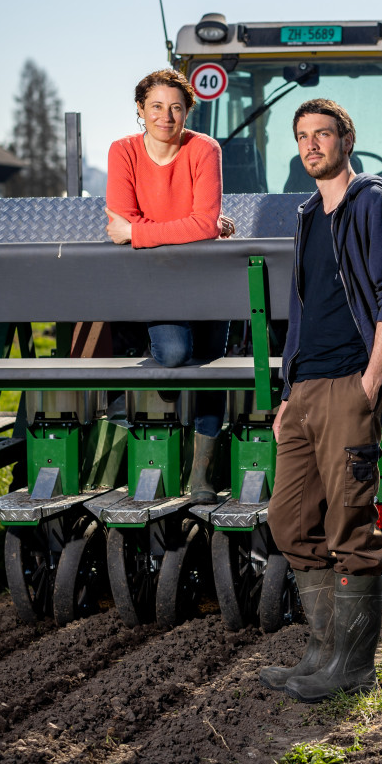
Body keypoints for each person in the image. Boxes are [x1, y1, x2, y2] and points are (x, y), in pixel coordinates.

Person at [261, 98, 382, 703]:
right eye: (302, 137)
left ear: (345, 140)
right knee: (290, 520)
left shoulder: (373, 203)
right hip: (304, 388)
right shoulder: (305, 214)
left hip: (349, 383)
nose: (311, 146)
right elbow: (300, 313)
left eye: (322, 134)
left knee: (349, 525)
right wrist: (286, 393)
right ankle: (322, 651)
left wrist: (371, 382)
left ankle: (351, 665)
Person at [106, 67, 231, 502]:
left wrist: (143, 234)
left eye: (176, 107)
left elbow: (139, 229)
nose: (166, 115)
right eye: (156, 106)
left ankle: (202, 473)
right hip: (157, 279)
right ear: (140, 110)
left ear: (187, 111)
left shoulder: (204, 149)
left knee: (214, 367)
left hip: (207, 277)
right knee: (175, 354)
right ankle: (157, 367)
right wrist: (197, 227)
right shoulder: (122, 152)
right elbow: (123, 218)